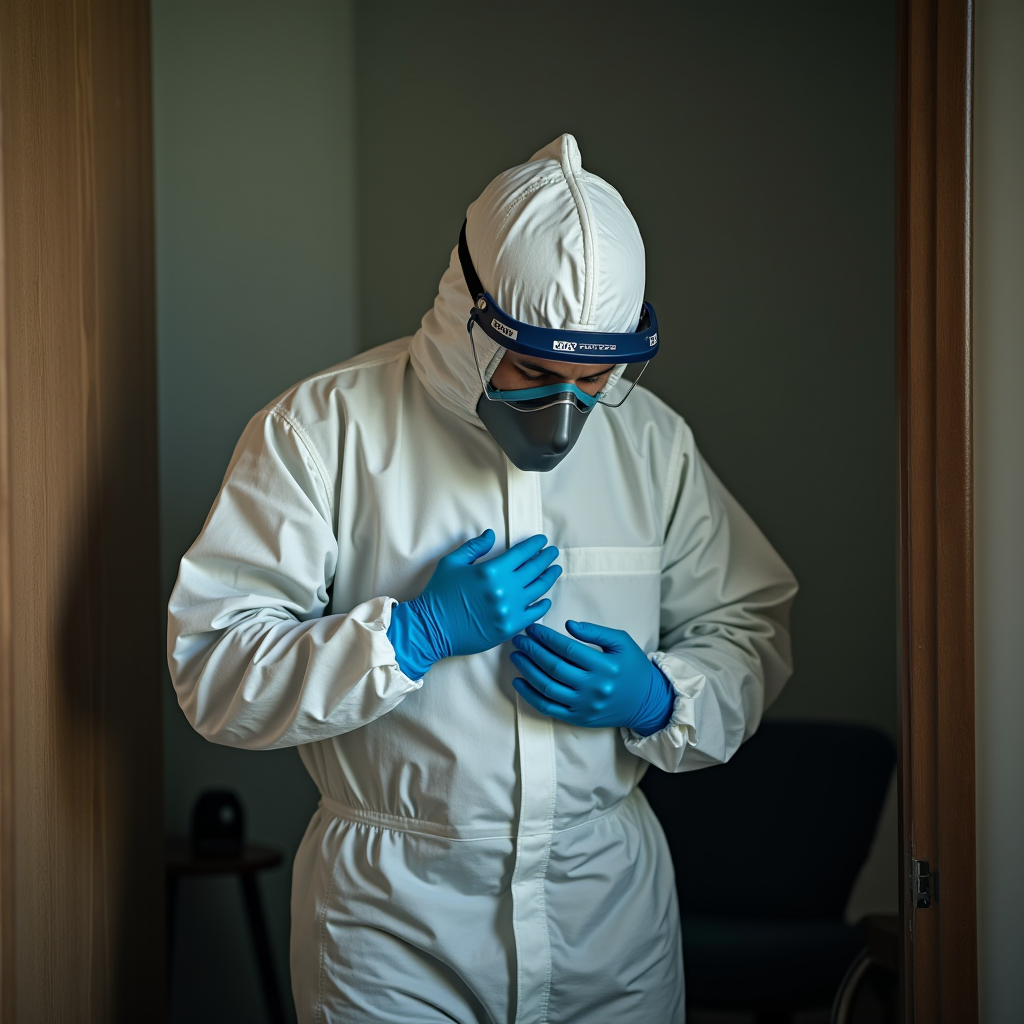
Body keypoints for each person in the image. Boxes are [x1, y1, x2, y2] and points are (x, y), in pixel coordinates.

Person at [168, 134, 798, 1024]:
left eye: (594, 377)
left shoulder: (652, 444)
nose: (566, 409)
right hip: (394, 922)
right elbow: (213, 670)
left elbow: (749, 627)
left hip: (606, 913)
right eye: (536, 371)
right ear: (470, 310)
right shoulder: (321, 432)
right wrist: (407, 637)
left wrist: (662, 698)